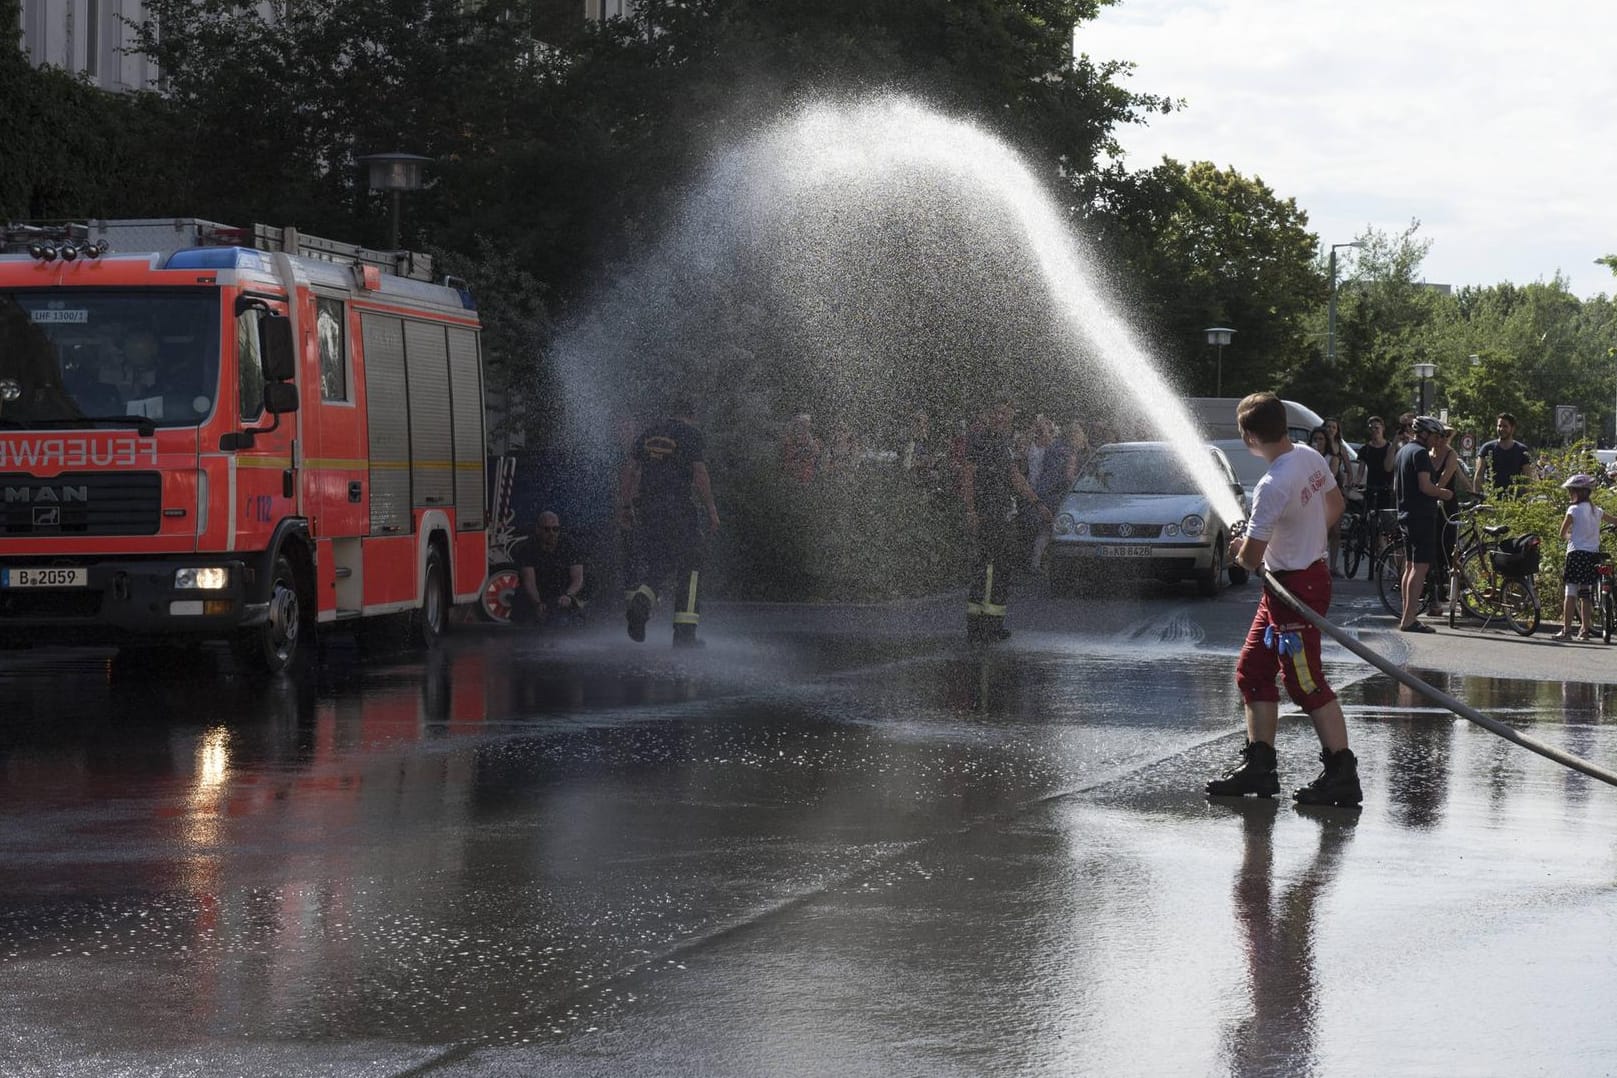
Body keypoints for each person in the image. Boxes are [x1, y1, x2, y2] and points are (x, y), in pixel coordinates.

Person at [1204, 393, 1362, 808]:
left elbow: (1249, 560)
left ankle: (1342, 774)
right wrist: (1301, 536)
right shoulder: (1309, 456)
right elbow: (1335, 504)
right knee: (1253, 669)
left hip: (1294, 588)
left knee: (1304, 682)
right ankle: (1260, 768)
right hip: (1293, 582)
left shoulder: (1271, 485)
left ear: (1250, 436)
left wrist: (1244, 548)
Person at [618, 399, 721, 647]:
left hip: (648, 509)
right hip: (678, 510)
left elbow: (630, 469)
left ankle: (641, 601)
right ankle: (685, 635)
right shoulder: (690, 434)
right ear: (691, 416)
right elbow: (699, 473)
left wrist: (625, 506)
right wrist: (711, 510)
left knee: (661, 562)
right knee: (692, 564)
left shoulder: (650, 432)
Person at [962, 397, 1051, 643]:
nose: (1001, 417)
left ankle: (994, 623)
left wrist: (1037, 503)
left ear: (1012, 416)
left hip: (1002, 515)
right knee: (985, 569)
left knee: (1001, 569)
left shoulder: (1004, 443)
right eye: (997, 413)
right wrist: (970, 510)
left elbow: (1015, 478)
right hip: (985, 514)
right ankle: (978, 626)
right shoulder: (978, 441)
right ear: (990, 415)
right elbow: (968, 477)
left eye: (1006, 413)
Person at [1393, 416, 1456, 632]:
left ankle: (1406, 615)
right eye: (1436, 436)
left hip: (1406, 514)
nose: (1437, 441)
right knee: (1419, 568)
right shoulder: (1420, 453)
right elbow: (1425, 486)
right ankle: (1409, 619)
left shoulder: (1403, 451)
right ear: (1426, 434)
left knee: (1410, 567)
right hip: (1421, 516)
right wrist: (1445, 494)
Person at [1552, 474, 1612, 641]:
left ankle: (1567, 630)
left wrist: (1571, 537)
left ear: (1576, 493)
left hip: (1576, 554)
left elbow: (1562, 533)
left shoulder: (1573, 510)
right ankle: (1585, 631)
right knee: (1585, 594)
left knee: (1570, 592)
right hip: (1592, 555)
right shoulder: (1597, 511)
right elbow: (1615, 521)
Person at [511, 512, 586, 628]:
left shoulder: (570, 545)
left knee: (566, 621)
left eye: (555, 529)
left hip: (561, 593)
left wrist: (568, 595)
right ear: (538, 529)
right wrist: (537, 603)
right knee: (525, 618)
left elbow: (578, 578)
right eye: (546, 529)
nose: (551, 533)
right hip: (538, 593)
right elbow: (529, 582)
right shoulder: (527, 548)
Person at [1427, 426, 1471, 615]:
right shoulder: (1428, 454)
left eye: (1445, 436)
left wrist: (1475, 492)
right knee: (1433, 551)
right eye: (1438, 436)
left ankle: (1461, 595)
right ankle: (1436, 595)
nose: (1441, 440)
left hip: (1447, 506)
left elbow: (1445, 481)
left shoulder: (1451, 455)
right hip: (1431, 505)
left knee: (1450, 550)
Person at [1310, 427, 1347, 577]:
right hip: (1313, 499)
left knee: (1334, 532)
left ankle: (1331, 565)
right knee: (1319, 532)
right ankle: (1318, 563)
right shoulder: (1308, 456)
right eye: (1315, 439)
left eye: (1321, 439)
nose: (1318, 442)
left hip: (1329, 498)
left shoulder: (1333, 457)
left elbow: (1330, 476)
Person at [1477, 412, 1535, 494]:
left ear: (1512, 428)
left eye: (1505, 426)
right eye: (1499, 426)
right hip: (1491, 498)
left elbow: (1527, 478)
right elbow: (1479, 475)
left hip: (1514, 501)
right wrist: (1478, 496)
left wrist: (1527, 498)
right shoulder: (1487, 448)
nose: (1501, 429)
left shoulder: (1522, 450)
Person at [781, 414, 821, 485]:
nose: (802, 429)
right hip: (792, 479)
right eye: (800, 426)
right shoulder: (789, 442)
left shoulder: (812, 443)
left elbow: (815, 456)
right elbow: (786, 462)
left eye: (805, 427)